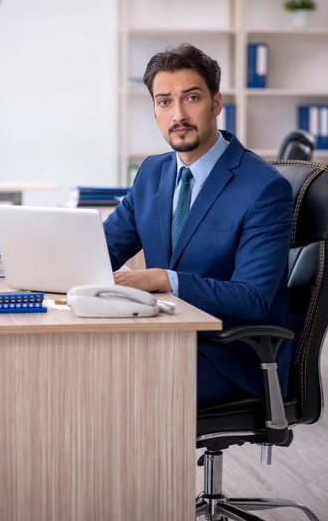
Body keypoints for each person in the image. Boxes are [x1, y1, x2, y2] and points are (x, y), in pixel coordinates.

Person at [103, 43, 294, 406]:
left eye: (191, 98)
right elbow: (105, 249)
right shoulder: (152, 172)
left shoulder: (263, 188)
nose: (178, 114)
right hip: (164, 337)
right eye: (164, 102)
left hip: (229, 356)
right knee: (80, 360)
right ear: (155, 112)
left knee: (114, 384)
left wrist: (164, 279)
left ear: (216, 103)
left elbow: (252, 300)